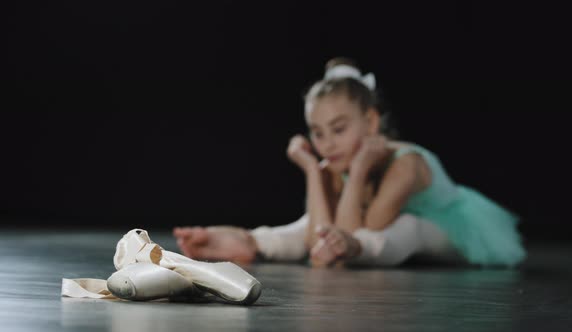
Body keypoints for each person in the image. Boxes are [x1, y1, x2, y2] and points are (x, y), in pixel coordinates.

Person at [173, 58, 526, 268]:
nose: (327, 144)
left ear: (371, 123)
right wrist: (313, 171)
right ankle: (251, 241)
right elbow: (322, 236)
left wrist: (356, 174)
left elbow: (358, 236)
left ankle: (260, 241)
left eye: (339, 129)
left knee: (405, 227)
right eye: (317, 133)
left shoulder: (406, 164)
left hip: (452, 229)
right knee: (314, 221)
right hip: (372, 232)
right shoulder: (330, 162)